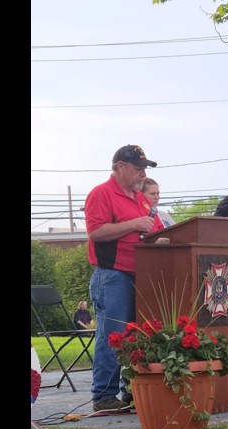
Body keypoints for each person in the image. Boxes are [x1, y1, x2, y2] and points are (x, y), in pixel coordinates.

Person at [84, 144, 164, 412]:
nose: (142, 174)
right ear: (120, 167)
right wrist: (134, 225)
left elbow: (157, 230)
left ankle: (130, 390)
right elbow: (95, 232)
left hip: (141, 274)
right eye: (137, 168)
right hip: (113, 275)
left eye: (144, 169)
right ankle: (103, 396)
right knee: (113, 336)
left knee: (135, 337)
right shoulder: (101, 194)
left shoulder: (139, 198)